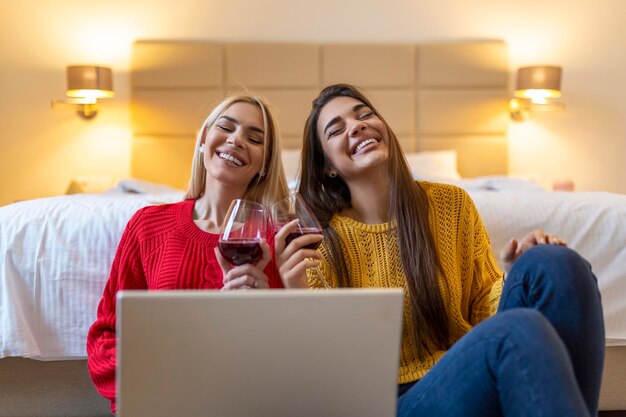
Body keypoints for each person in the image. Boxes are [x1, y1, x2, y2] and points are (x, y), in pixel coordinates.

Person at [275, 84, 604, 417]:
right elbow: (323, 372)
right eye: (336, 129)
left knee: (556, 263)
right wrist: (299, 294)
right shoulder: (317, 241)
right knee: (516, 329)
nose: (356, 126)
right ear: (327, 166)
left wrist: (513, 271)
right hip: (389, 403)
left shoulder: (450, 204)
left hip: (465, 376)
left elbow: (483, 311)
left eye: (364, 115)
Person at [87, 94, 290, 413]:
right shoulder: (148, 225)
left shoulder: (278, 239)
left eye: (254, 138)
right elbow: (107, 335)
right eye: (226, 127)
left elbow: (294, 354)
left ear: (265, 165)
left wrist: (264, 306)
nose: (236, 140)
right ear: (204, 139)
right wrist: (144, 395)